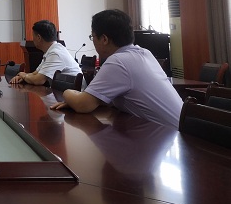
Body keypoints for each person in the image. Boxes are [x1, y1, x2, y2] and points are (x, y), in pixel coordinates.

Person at [51, 9, 183, 128]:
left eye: (93, 37)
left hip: (171, 137)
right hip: (176, 133)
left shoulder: (118, 61)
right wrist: (80, 100)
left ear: (104, 39)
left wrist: (67, 93)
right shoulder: (144, 53)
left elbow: (82, 105)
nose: (93, 41)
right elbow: (98, 101)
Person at [10, 20, 81, 86]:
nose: (33, 39)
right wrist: (23, 77)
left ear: (39, 37)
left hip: (75, 93)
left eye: (33, 36)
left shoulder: (55, 53)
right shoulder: (51, 51)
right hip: (63, 92)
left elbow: (38, 80)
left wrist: (24, 76)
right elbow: (35, 73)